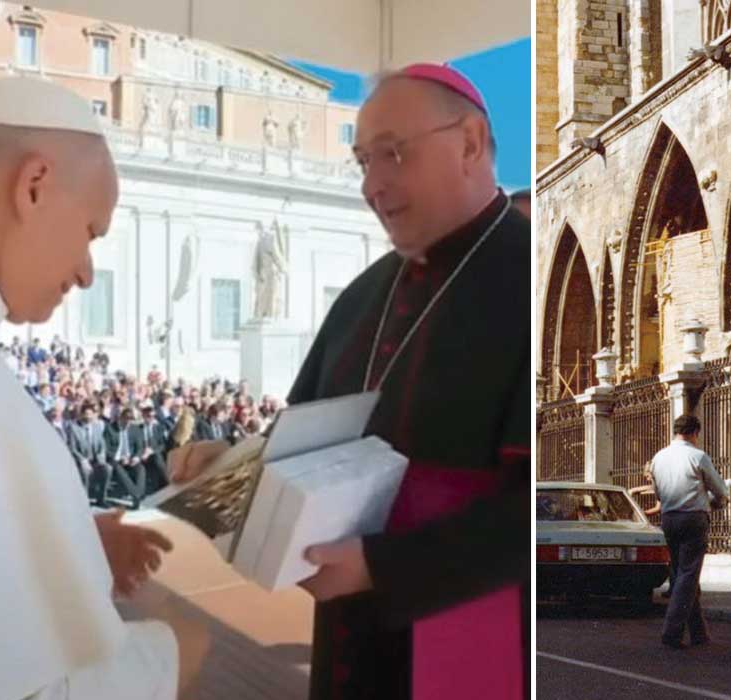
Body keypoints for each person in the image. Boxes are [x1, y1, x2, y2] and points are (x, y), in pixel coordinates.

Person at [169, 62, 530, 699]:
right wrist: (230, 462)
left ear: (470, 143)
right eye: (363, 161)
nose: (371, 185)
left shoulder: (529, 274)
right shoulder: (363, 295)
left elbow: (535, 508)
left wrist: (383, 568)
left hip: (470, 625)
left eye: (393, 154)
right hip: (348, 631)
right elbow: (298, 440)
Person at [0, 76, 184, 699]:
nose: (87, 273)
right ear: (33, 185)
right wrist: (173, 654)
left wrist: (66, 543)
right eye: (90, 231)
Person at [649, 414, 729, 649]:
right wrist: (717, 501)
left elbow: (658, 492)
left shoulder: (659, 457)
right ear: (695, 433)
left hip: (669, 518)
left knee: (681, 573)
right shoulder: (698, 456)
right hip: (693, 518)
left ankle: (699, 633)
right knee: (688, 575)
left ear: (675, 432)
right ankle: (671, 632)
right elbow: (720, 490)